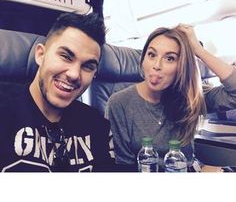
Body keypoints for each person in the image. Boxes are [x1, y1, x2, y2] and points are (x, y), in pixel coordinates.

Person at [105, 24, 236, 172]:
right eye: (152, 55)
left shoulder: (189, 96)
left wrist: (198, 50)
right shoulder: (119, 104)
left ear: (182, 66)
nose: (157, 65)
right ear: (142, 60)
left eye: (169, 58)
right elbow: (123, 169)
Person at [0, 12, 115, 172]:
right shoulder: (4, 109)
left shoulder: (97, 125)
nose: (74, 74)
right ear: (41, 55)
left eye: (88, 66)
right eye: (66, 56)